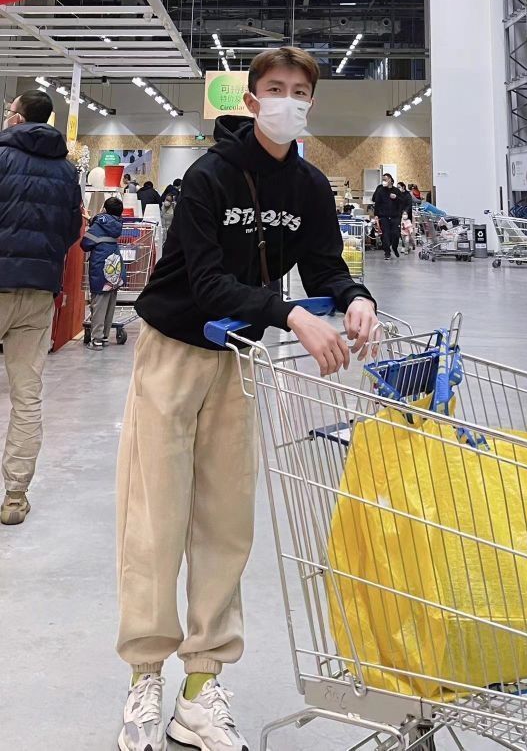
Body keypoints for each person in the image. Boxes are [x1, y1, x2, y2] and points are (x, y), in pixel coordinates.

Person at [115, 46, 379, 751]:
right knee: (155, 516)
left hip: (238, 359)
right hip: (173, 349)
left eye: (301, 90)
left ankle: (200, 690)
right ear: (252, 100)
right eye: (275, 88)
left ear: (311, 102)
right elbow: (205, 285)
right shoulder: (209, 177)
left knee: (226, 521)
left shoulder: (310, 186)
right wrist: (289, 314)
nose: (289, 100)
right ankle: (145, 673)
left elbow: (324, 265)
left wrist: (355, 297)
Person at [0, 89, 82, 525]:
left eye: (9, 110)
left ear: (19, 117)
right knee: (27, 396)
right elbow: (71, 230)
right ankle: (15, 496)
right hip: (37, 292)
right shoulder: (66, 171)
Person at [81, 196, 124, 351]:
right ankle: (105, 336)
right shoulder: (118, 224)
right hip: (115, 264)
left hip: (101, 266)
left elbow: (85, 244)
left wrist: (91, 223)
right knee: (110, 302)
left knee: (99, 303)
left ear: (104, 209)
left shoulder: (98, 225)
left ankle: (97, 339)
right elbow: (104, 223)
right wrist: (92, 219)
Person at [372, 172, 401, 260]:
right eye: (383, 180)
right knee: (385, 235)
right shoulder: (380, 190)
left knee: (396, 234)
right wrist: (376, 215)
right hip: (384, 216)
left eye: (386, 179)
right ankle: (387, 252)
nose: (384, 181)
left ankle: (394, 248)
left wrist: (396, 198)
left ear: (391, 180)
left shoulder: (396, 191)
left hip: (395, 216)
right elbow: (377, 203)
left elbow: (402, 202)